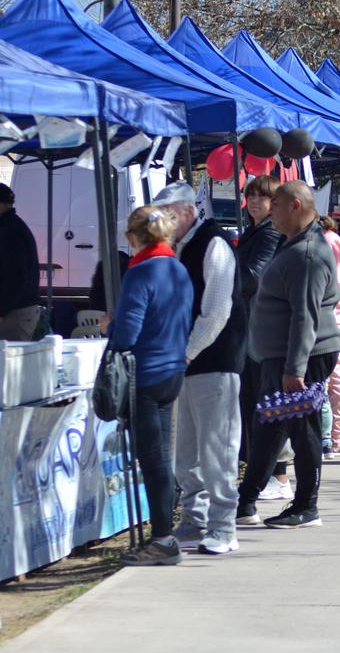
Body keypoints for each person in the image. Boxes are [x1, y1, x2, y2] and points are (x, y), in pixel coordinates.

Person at [236, 181, 340, 529]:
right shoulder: (291, 245)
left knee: (302, 429)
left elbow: (305, 316)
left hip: (300, 359)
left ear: (295, 205)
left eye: (275, 204)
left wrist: (295, 370)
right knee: (269, 425)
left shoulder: (306, 254)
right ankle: (245, 501)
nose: (270, 210)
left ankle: (306, 506)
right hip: (281, 357)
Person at [152, 182, 246, 556]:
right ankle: (195, 518)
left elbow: (217, 310)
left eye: (167, 215)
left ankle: (223, 526)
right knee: (186, 451)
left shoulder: (213, 244)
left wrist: (187, 352)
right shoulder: (181, 247)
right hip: (187, 361)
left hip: (214, 360)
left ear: (187, 212)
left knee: (217, 449)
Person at [103, 205, 193, 566]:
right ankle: (163, 532)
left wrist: (111, 326)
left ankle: (162, 538)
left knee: (153, 460)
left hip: (148, 373)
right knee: (160, 458)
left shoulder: (141, 272)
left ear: (132, 237)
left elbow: (126, 333)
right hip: (172, 369)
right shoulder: (177, 267)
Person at [235, 176, 283, 472]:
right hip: (251, 322)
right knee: (253, 396)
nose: (254, 202)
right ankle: (258, 466)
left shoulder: (268, 233)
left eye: (261, 197)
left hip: (259, 326)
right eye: (250, 195)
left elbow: (253, 276)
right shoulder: (254, 230)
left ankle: (270, 471)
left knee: (261, 397)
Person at [319, 215, 340, 458]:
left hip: (330, 316)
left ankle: (332, 436)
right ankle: (333, 436)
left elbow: (330, 282)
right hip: (336, 315)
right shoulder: (335, 240)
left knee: (329, 377)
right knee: (332, 376)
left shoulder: (328, 242)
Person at [0, 183, 40, 341]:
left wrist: (1, 310)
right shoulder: (10, 226)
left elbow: (15, 276)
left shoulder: (10, 231)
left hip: (15, 312)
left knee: (8, 361)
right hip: (15, 309)